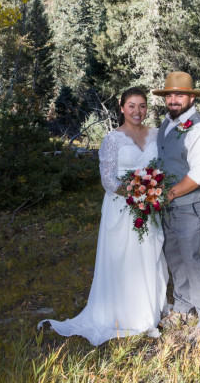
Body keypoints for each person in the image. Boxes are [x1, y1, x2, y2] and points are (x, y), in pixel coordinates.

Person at [38, 87, 168, 346]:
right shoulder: (112, 139)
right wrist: (136, 195)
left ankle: (147, 309)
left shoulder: (156, 135)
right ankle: (119, 313)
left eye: (142, 106)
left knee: (149, 253)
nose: (137, 111)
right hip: (121, 208)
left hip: (149, 207)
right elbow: (108, 180)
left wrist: (152, 194)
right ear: (121, 108)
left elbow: (162, 168)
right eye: (131, 105)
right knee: (121, 258)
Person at [153, 71, 200, 341]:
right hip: (168, 205)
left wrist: (167, 195)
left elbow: (199, 175)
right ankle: (182, 307)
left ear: (191, 97)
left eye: (179, 95)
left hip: (191, 206)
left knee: (193, 260)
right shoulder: (167, 123)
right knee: (174, 257)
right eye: (169, 95)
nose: (173, 99)